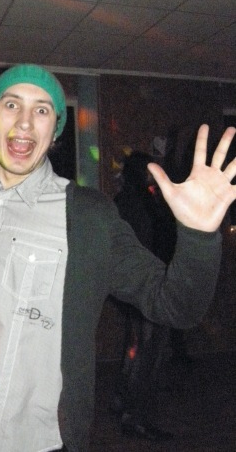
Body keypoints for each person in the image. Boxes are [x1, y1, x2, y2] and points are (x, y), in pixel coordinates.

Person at [0, 64, 236, 452]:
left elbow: (174, 305)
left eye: (41, 110)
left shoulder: (88, 216)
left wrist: (199, 235)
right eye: (11, 105)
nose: (24, 121)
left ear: (54, 132)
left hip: (28, 439)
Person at [111, 151, 176, 440]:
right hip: (148, 288)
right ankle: (135, 416)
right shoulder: (142, 202)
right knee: (148, 352)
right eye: (150, 171)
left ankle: (123, 401)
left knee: (136, 346)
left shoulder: (125, 199)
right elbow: (149, 244)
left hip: (134, 287)